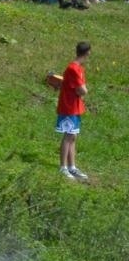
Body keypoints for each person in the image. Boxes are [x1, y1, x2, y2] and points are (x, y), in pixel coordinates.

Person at [52, 41, 89, 181]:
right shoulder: (73, 69)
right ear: (88, 53)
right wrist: (83, 90)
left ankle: (72, 166)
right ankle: (63, 167)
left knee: (73, 137)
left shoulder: (78, 68)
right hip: (69, 107)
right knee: (68, 137)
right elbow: (82, 90)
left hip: (75, 107)